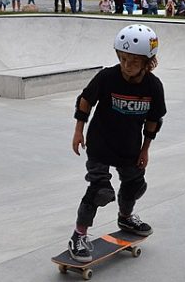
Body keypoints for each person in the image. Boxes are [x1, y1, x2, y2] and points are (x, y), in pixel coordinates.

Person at [67, 24, 167, 262]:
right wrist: (78, 131)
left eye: (133, 61)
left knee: (135, 185)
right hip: (100, 144)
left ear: (147, 62)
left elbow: (154, 120)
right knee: (100, 191)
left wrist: (145, 149)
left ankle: (125, 217)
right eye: (123, 58)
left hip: (130, 147)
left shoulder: (153, 86)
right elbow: (85, 101)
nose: (126, 65)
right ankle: (78, 235)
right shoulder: (107, 77)